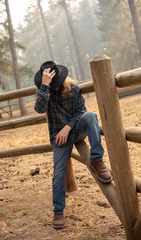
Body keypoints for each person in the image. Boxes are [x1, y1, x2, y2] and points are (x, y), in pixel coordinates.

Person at [34, 61, 113, 229]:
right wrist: (45, 86)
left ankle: (97, 160)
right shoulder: (44, 92)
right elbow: (39, 109)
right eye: (51, 84)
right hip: (59, 138)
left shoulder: (72, 87)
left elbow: (81, 111)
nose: (54, 87)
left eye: (55, 84)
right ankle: (58, 212)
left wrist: (68, 127)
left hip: (75, 129)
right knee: (58, 174)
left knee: (90, 115)